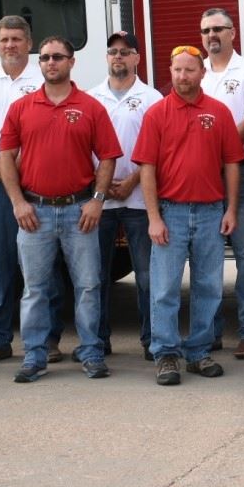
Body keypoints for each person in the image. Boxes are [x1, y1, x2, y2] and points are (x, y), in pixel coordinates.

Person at [0, 36, 122, 383]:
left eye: (58, 57)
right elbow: (6, 157)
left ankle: (92, 352)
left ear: (71, 62)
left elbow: (109, 156)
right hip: (34, 212)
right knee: (35, 288)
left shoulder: (90, 106)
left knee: (88, 286)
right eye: (45, 58)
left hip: (78, 211)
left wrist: (97, 200)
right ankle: (34, 357)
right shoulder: (22, 108)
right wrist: (18, 202)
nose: (51, 62)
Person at [132, 45, 244, 386]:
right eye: (177, 70)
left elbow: (231, 164)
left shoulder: (219, 112)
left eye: (189, 70)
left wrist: (231, 209)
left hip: (211, 213)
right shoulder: (157, 113)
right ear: (171, 72)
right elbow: (147, 169)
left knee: (208, 286)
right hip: (171, 213)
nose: (183, 77)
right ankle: (166, 353)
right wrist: (154, 217)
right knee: (164, 288)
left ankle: (198, 351)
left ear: (202, 73)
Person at [0, 16, 66, 367]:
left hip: (37, 184)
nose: (10, 45)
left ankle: (48, 340)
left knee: (43, 266)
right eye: (4, 39)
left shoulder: (45, 78)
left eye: (17, 39)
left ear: (29, 43)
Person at [87, 30, 161, 362]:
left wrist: (132, 179)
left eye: (125, 51)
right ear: (107, 58)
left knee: (146, 275)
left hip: (138, 200)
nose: (118, 56)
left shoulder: (153, 98)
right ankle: (98, 341)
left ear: (136, 58)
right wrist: (99, 184)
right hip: (100, 201)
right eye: (113, 51)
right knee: (96, 275)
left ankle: (151, 340)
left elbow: (160, 151)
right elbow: (82, 149)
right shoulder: (91, 99)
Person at [199, 8, 244, 360]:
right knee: (206, 258)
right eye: (206, 30)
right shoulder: (197, 72)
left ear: (233, 33)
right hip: (205, 178)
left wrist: (214, 151)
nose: (212, 36)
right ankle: (209, 333)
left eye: (218, 29)